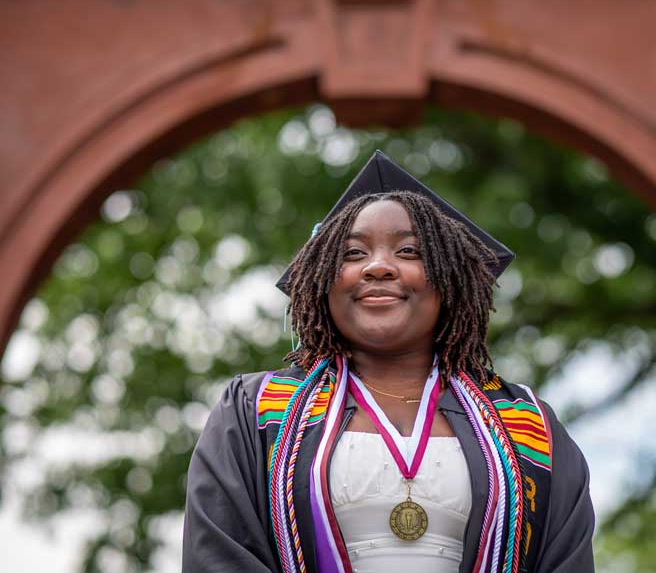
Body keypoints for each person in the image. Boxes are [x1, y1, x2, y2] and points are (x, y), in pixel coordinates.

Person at [182, 151, 595, 573]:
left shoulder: (526, 424)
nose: (378, 267)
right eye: (353, 254)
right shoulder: (256, 412)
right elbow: (220, 557)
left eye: (410, 250)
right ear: (323, 280)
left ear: (450, 277)